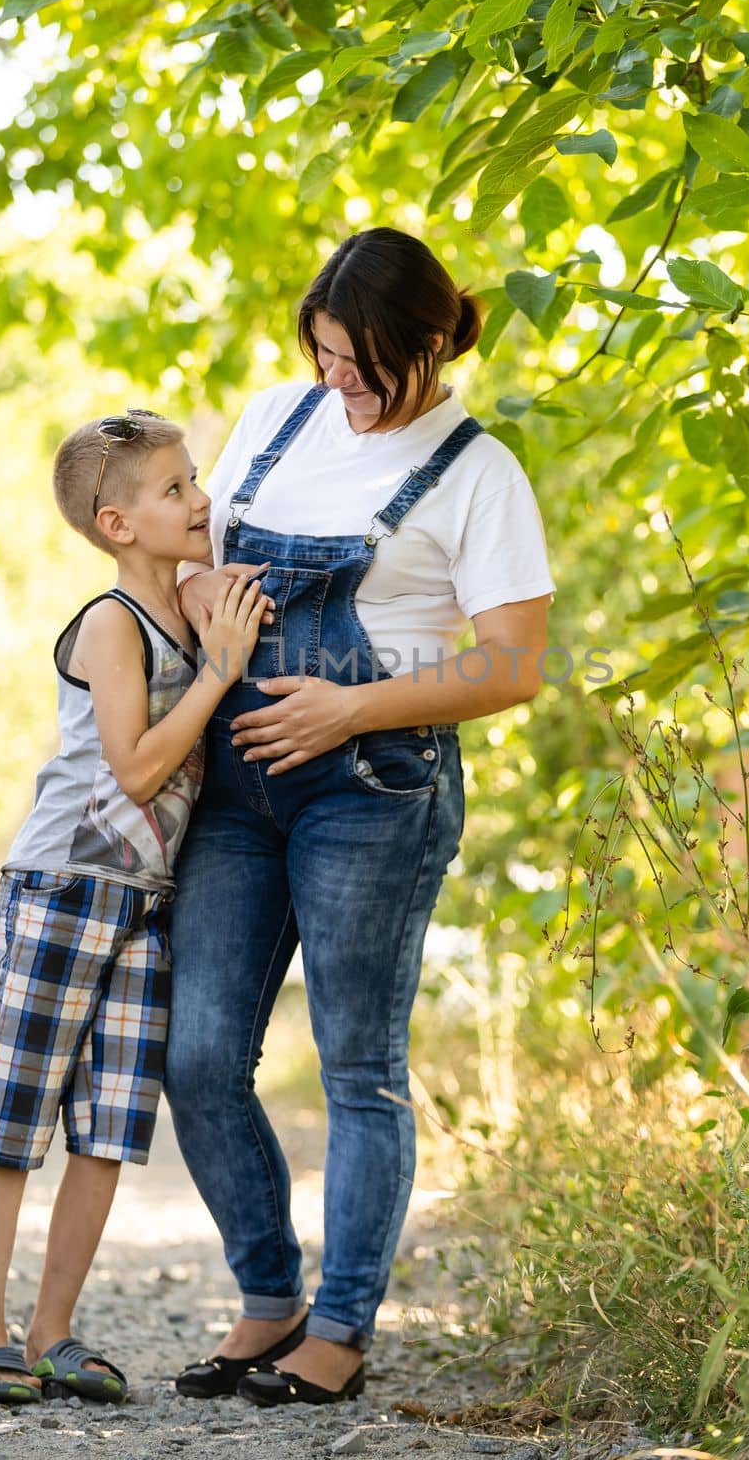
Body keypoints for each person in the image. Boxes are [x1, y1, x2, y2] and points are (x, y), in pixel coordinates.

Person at [165, 228, 555, 1407]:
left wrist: (348, 708)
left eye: (361, 361)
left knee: (357, 1068)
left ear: (428, 346)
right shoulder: (277, 417)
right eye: (324, 351)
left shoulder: (478, 470)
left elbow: (512, 667)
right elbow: (193, 558)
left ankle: (337, 1331)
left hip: (373, 785)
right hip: (237, 778)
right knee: (197, 1056)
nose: (337, 379)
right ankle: (269, 1294)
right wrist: (207, 600)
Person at [0, 411, 267, 1406]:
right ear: (118, 523)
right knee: (18, 1116)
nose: (201, 500)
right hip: (67, 888)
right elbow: (132, 769)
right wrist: (218, 670)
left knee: (108, 1128)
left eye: (195, 480)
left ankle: (52, 1332)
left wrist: (217, 637)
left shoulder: (187, 611)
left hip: (146, 901)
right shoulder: (109, 624)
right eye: (174, 489)